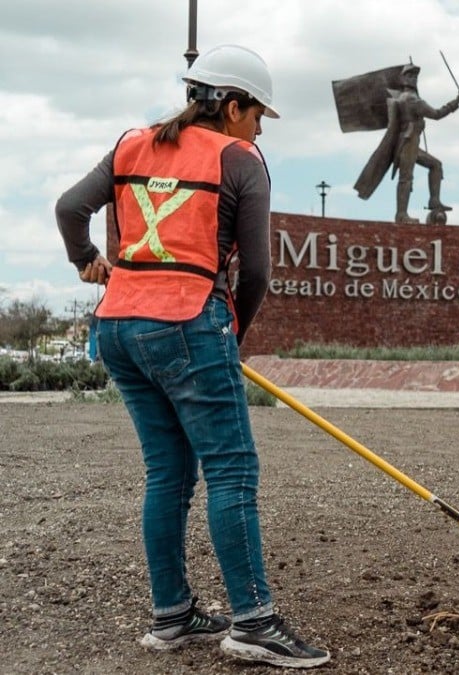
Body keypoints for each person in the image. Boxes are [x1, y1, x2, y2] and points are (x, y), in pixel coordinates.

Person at [55, 44, 329, 668]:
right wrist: (232, 334)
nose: (261, 128)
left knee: (168, 474)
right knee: (231, 471)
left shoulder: (131, 143)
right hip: (189, 321)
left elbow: (69, 209)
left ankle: (172, 614)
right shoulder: (242, 158)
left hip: (120, 326)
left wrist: (86, 262)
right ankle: (254, 622)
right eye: (258, 113)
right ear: (232, 106)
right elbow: (256, 269)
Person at [353, 63, 459, 223]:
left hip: (410, 141)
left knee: (435, 165)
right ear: (404, 79)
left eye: (415, 76)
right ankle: (401, 214)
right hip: (408, 142)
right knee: (406, 178)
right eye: (410, 76)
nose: (414, 79)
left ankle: (434, 201)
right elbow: (436, 114)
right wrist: (456, 102)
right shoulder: (412, 99)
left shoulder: (403, 97)